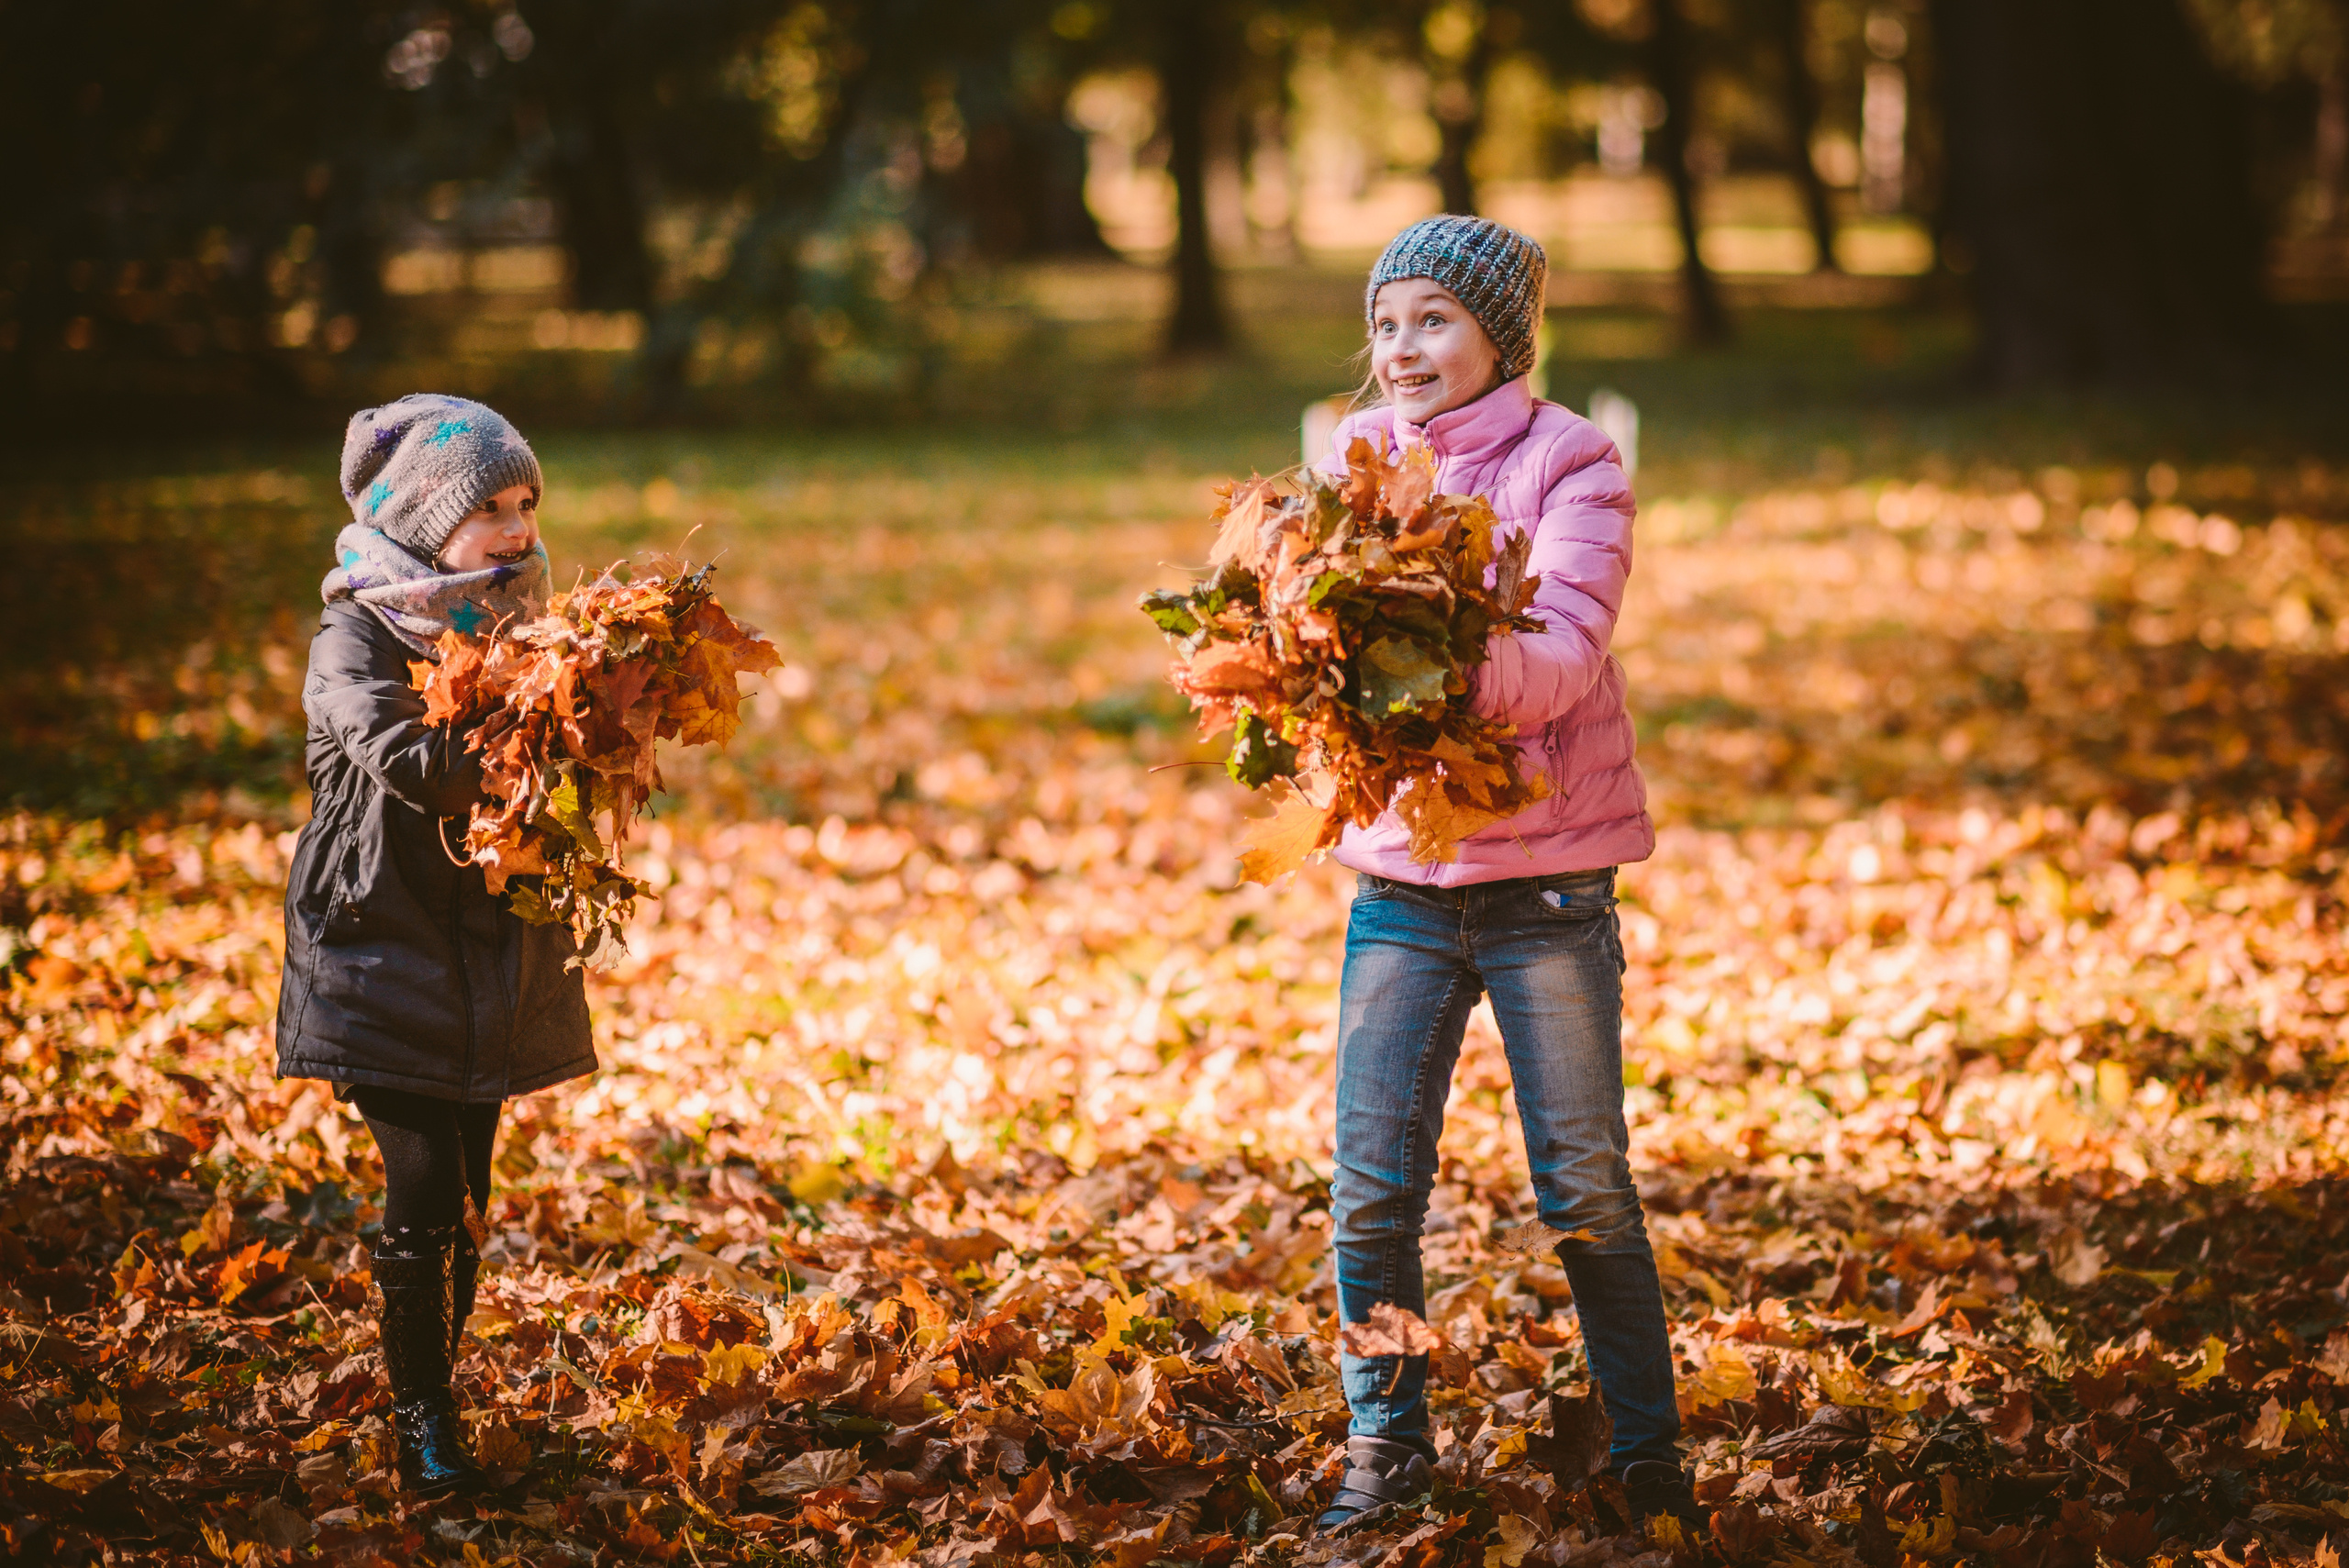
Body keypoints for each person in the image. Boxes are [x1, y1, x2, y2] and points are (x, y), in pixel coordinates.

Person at [1307, 217, 1698, 1532]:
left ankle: (1650, 1462)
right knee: (1370, 1190)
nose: (1401, 348)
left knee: (1584, 1190)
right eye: (1386, 322)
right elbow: (1304, 659)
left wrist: (1396, 655)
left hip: (1546, 895)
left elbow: (1555, 660)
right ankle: (1387, 1444)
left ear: (1499, 336)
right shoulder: (1355, 462)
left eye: (1432, 320)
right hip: (1403, 892)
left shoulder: (1572, 462)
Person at [276, 395, 596, 1496]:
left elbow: (563, 774)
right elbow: (420, 764)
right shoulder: (353, 634)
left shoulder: (522, 624)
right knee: (420, 1186)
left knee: (468, 1190)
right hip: (380, 945)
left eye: (525, 502)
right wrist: (541, 723)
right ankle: (424, 1420)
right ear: (417, 522)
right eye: (488, 509)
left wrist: (594, 714)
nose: (516, 527)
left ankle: (438, 1375)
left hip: (488, 952)